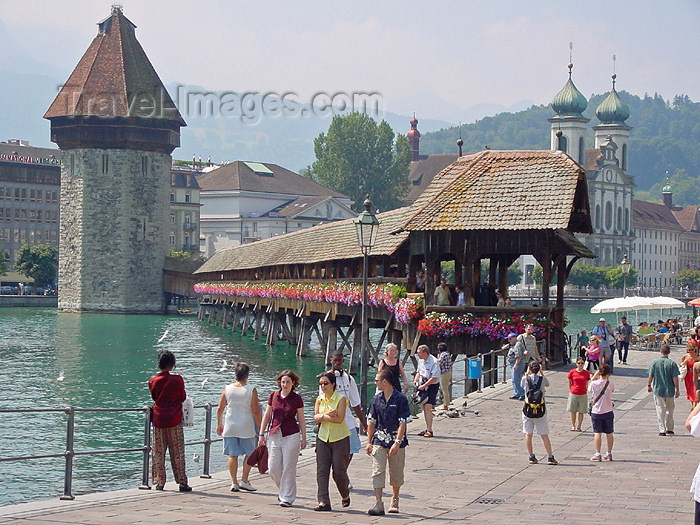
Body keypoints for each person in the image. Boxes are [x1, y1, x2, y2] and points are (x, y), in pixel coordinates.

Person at [258, 370, 307, 507]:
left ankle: (287, 497)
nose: (285, 384)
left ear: (293, 383)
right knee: (273, 468)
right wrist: (261, 434)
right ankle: (285, 491)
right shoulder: (274, 396)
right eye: (283, 382)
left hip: (291, 435)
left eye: (288, 382)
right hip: (274, 434)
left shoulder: (296, 398)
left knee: (289, 468)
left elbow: (301, 419)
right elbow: (267, 416)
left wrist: (304, 437)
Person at [366, 368, 411, 516]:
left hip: (396, 440)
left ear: (384, 382)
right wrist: (369, 442)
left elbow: (403, 423)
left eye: (377, 380)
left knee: (396, 472)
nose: (375, 382)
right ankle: (378, 502)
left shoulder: (400, 399)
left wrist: (397, 442)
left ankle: (395, 498)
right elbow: (371, 421)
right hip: (379, 439)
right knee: (377, 470)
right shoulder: (376, 399)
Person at [148, 350, 191, 492]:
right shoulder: (177, 379)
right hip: (174, 419)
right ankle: (182, 482)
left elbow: (154, 397)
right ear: (172, 364)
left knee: (159, 451)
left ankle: (159, 482)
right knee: (177, 451)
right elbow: (183, 397)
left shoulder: (153, 381)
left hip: (159, 419)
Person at [216, 362, 262, 492]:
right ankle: (244, 479)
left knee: (232, 454)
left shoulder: (227, 388)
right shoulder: (251, 390)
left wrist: (219, 424)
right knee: (250, 453)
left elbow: (220, 409)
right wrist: (260, 426)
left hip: (230, 425)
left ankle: (234, 482)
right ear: (247, 374)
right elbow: (255, 410)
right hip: (246, 426)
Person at [323, 351, 367, 488]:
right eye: (335, 360)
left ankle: (342, 473)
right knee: (336, 451)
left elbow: (355, 402)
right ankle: (340, 474)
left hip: (347, 420)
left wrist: (363, 422)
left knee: (352, 449)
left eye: (340, 360)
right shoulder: (325, 380)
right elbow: (321, 400)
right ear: (331, 360)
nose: (338, 363)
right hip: (333, 421)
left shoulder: (349, 379)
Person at [313, 372, 351, 511]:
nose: (323, 386)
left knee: (339, 471)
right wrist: (326, 415)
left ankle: (345, 494)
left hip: (340, 438)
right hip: (323, 438)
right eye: (321, 384)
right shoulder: (320, 399)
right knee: (322, 470)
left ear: (333, 384)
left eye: (326, 383)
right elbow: (316, 417)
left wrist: (324, 417)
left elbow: (339, 419)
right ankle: (323, 501)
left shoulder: (340, 399)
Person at [521, 361, 557, 465]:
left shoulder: (525, 379)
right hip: (541, 410)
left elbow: (522, 386)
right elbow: (548, 384)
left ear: (530, 369)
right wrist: (542, 373)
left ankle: (531, 456)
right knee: (544, 435)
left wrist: (527, 373)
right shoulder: (543, 379)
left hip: (528, 410)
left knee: (528, 434)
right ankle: (550, 457)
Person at [648, 345, 680, 436]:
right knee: (670, 409)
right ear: (669, 352)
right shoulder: (672, 364)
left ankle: (662, 429)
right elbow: (675, 378)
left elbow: (651, 375)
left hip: (658, 389)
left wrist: (649, 385)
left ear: (661, 351)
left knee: (660, 409)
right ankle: (669, 428)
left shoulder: (655, 362)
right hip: (669, 390)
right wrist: (677, 389)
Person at [588, 364, 615, 461]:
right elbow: (612, 390)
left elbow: (589, 390)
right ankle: (609, 453)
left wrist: (594, 377)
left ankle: (598, 453)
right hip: (608, 410)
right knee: (609, 433)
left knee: (597, 433)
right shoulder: (610, 383)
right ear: (608, 374)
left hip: (596, 411)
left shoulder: (594, 384)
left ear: (599, 372)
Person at [414, 344, 440, 437]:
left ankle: (430, 430)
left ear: (425, 353)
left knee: (428, 407)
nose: (418, 355)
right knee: (424, 407)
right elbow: (419, 372)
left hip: (432, 385)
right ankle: (427, 427)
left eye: (419, 353)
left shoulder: (434, 361)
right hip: (422, 384)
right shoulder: (420, 361)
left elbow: (434, 377)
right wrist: (416, 380)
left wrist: (425, 385)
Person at [567, 357, 591, 432]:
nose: (580, 365)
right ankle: (573, 425)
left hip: (583, 394)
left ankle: (579, 426)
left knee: (581, 411)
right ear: (576, 363)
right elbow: (569, 381)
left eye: (582, 363)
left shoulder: (586, 373)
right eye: (579, 363)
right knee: (573, 411)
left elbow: (587, 382)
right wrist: (571, 390)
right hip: (574, 393)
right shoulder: (572, 372)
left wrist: (586, 389)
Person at [505, 332, 525, 400]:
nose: (509, 340)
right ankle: (516, 393)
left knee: (516, 379)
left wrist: (516, 365)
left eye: (510, 339)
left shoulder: (517, 345)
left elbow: (519, 356)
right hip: (512, 363)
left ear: (514, 338)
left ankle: (522, 394)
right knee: (514, 379)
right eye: (508, 339)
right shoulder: (512, 345)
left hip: (517, 363)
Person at [437, 342, 453, 409]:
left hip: (444, 373)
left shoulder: (443, 355)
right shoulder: (447, 354)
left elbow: (439, 363)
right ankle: (447, 403)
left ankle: (445, 405)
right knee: (446, 388)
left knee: (444, 389)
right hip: (449, 372)